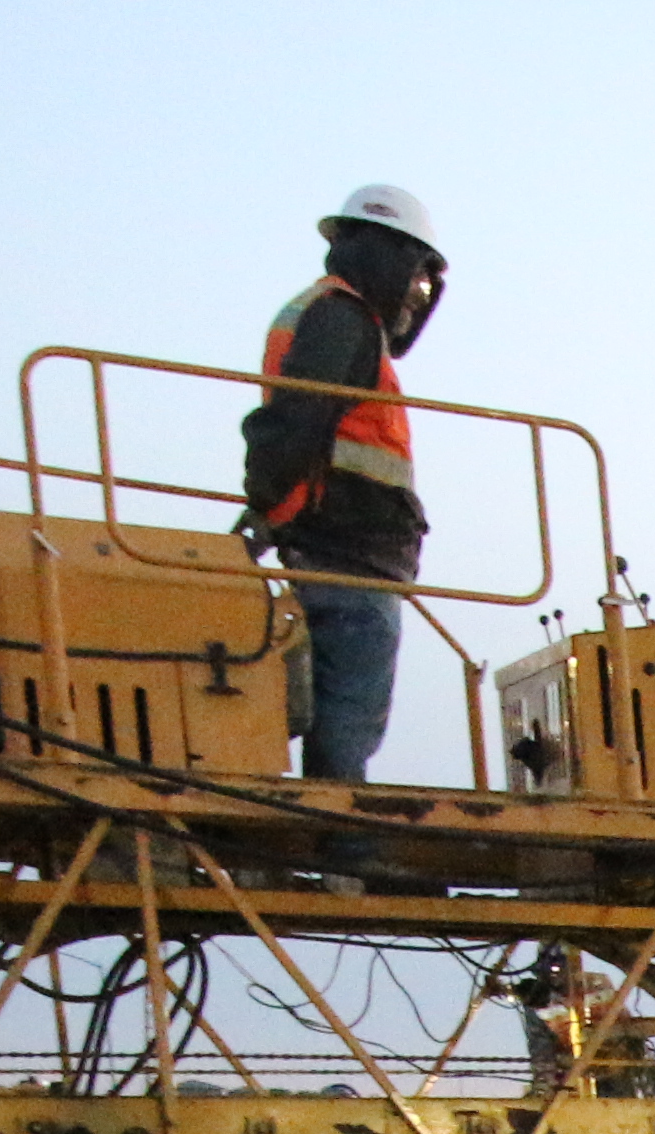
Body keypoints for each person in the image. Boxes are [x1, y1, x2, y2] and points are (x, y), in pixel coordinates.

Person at [244, 184, 445, 787]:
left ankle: (337, 845)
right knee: (348, 721)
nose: (417, 292)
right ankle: (346, 855)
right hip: (347, 554)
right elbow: (298, 422)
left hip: (342, 549)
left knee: (339, 717)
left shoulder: (337, 317)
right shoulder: (340, 319)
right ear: (390, 255)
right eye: (417, 274)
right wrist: (268, 512)